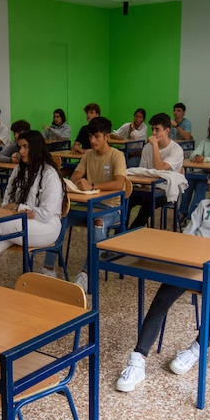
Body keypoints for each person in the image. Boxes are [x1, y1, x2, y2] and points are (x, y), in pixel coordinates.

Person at [116, 160, 210, 392]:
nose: (209, 181)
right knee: (161, 299)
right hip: (192, 261)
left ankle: (196, 349)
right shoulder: (204, 205)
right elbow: (188, 237)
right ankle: (138, 359)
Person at [0, 130, 65, 283]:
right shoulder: (18, 170)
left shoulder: (49, 173)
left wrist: (18, 207)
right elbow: (5, 203)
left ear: (36, 148)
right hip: (17, 223)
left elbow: (45, 214)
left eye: (25, 147)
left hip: (46, 227)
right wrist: (20, 209)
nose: (20, 152)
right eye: (19, 147)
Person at [70, 116, 127, 291]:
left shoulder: (117, 155)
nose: (92, 141)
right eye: (90, 137)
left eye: (97, 137)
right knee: (63, 214)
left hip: (112, 207)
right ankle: (48, 268)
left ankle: (87, 273)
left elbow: (119, 183)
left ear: (107, 137)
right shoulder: (88, 154)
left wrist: (93, 185)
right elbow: (75, 176)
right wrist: (78, 180)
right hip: (89, 205)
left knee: (98, 222)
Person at [127, 113, 185, 229]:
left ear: (167, 130)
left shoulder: (176, 149)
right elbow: (142, 171)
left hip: (166, 190)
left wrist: (154, 145)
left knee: (148, 204)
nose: (153, 133)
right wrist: (144, 186)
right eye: (152, 129)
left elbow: (159, 167)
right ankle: (121, 231)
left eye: (157, 129)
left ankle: (131, 233)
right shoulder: (147, 148)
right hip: (147, 187)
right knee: (127, 197)